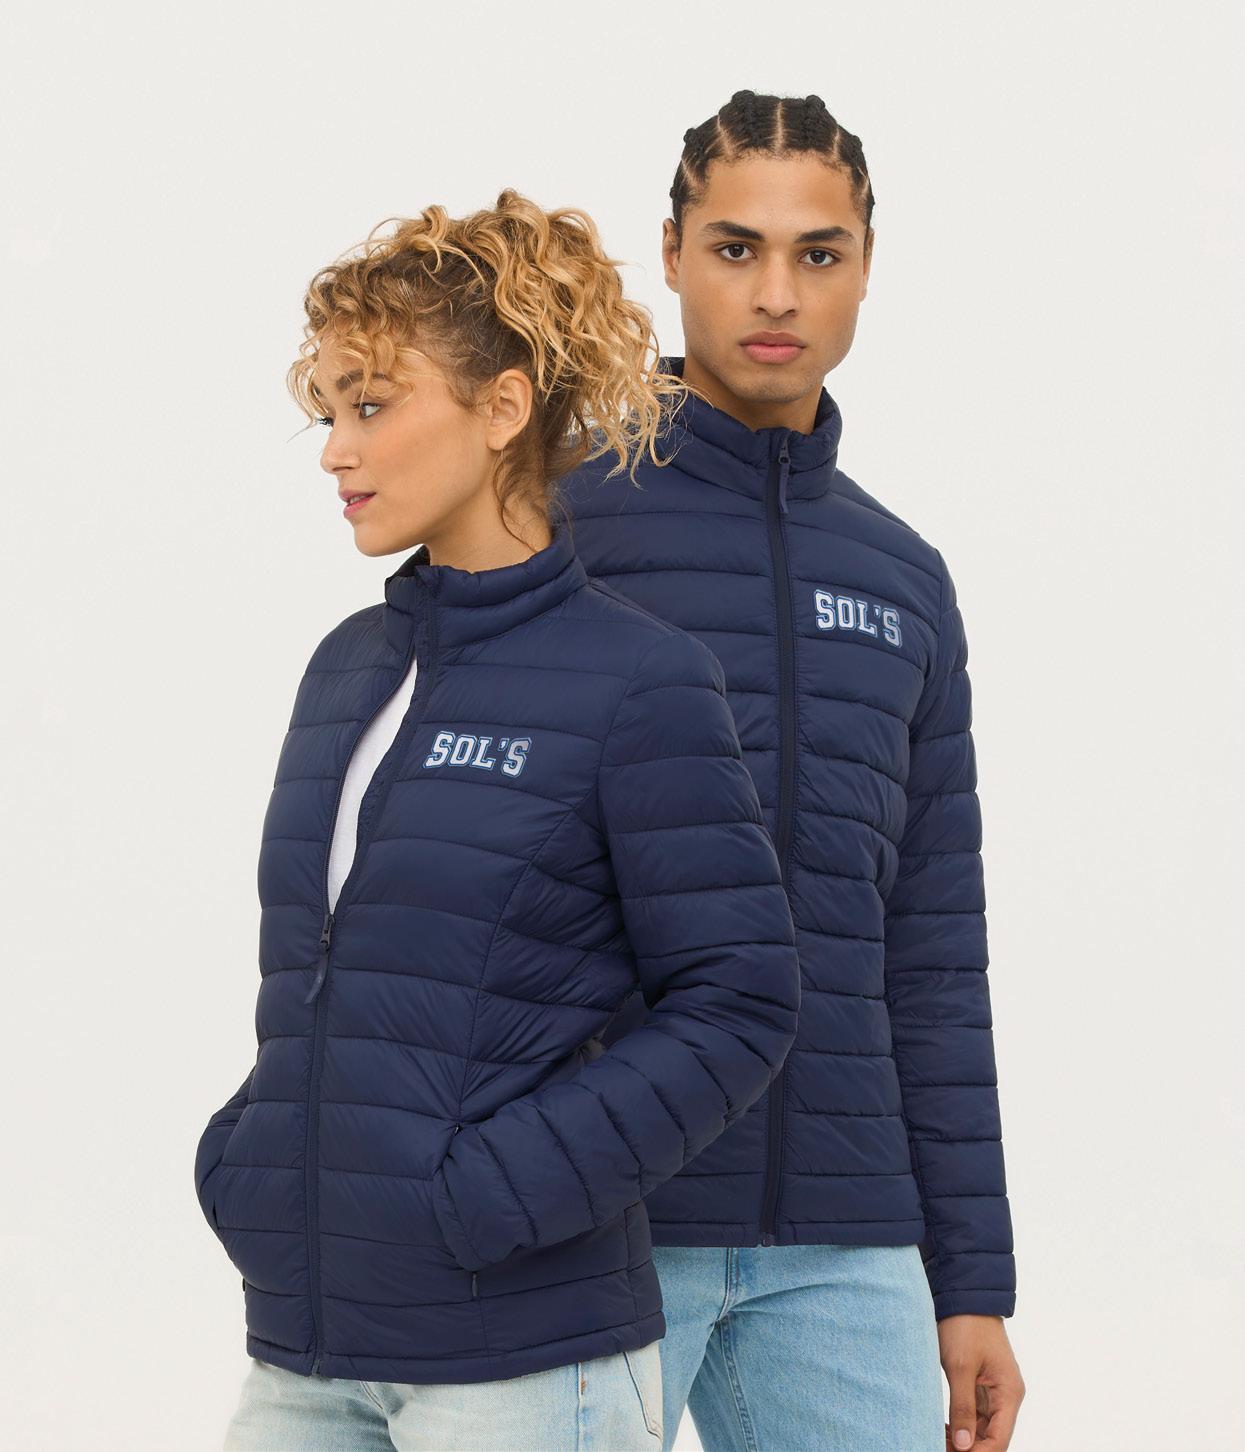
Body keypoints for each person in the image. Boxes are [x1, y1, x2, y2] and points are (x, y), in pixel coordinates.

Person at [192, 188, 802, 1451]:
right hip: (309, 1345)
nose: (335, 451)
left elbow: (739, 999)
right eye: (328, 411)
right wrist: (250, 1158)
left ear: (504, 408)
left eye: (372, 406)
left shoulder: (640, 680)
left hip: (524, 1367)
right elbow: (325, 977)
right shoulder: (346, 669)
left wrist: (496, 1192)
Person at [559, 90, 1026, 1452]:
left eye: (818, 253)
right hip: (594, 1222)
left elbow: (930, 952)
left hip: (847, 1239)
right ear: (670, 252)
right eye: (735, 247)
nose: (777, 293)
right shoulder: (556, 522)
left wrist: (970, 1282)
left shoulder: (905, 579)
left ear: (867, 266)